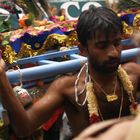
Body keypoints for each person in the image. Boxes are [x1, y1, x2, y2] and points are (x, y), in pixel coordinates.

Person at [0, 7, 140, 139]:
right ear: (83, 49)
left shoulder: (134, 73)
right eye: (102, 46)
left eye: (117, 43)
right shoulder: (68, 88)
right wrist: (1, 77)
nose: (113, 53)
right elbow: (24, 127)